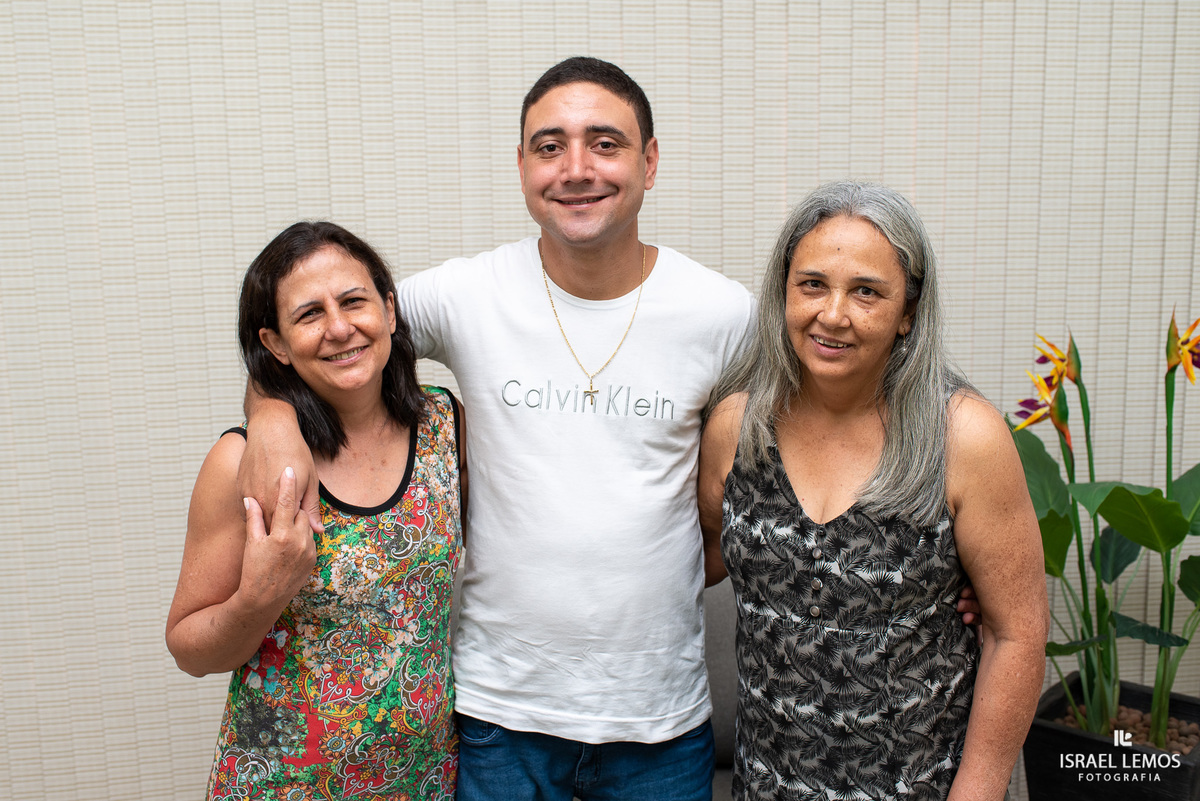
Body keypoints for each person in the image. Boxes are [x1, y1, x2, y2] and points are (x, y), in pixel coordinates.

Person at [237, 60, 981, 801]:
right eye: (550, 146)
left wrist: (946, 568)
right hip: (500, 717)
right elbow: (331, 336)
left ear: (649, 162)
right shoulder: (465, 294)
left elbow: (847, 387)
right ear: (522, 166)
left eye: (604, 143)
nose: (576, 169)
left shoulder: (721, 314)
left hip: (660, 727)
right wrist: (269, 414)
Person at [698, 181, 1049, 801]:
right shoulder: (737, 427)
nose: (833, 314)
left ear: (908, 311)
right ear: (783, 292)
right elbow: (696, 559)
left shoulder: (962, 436)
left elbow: (1015, 633)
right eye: (812, 284)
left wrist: (979, 791)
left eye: (866, 291)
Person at [165, 222, 465, 800]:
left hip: (425, 777)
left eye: (353, 302)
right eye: (309, 314)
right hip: (285, 785)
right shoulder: (241, 462)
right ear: (275, 344)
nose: (339, 328)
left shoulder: (445, 428)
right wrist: (259, 597)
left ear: (390, 310)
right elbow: (188, 649)